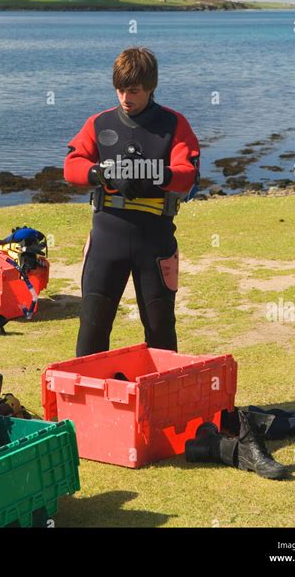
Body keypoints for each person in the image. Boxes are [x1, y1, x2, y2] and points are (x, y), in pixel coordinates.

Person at [64, 47, 200, 357]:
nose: (126, 98)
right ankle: (88, 401)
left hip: (154, 242)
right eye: (121, 89)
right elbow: (71, 166)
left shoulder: (174, 124)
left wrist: (153, 175)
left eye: (134, 91)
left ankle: (164, 400)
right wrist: (99, 174)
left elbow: (188, 174)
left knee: (160, 327)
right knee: (93, 325)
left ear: (151, 87)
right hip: (105, 241)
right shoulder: (99, 123)